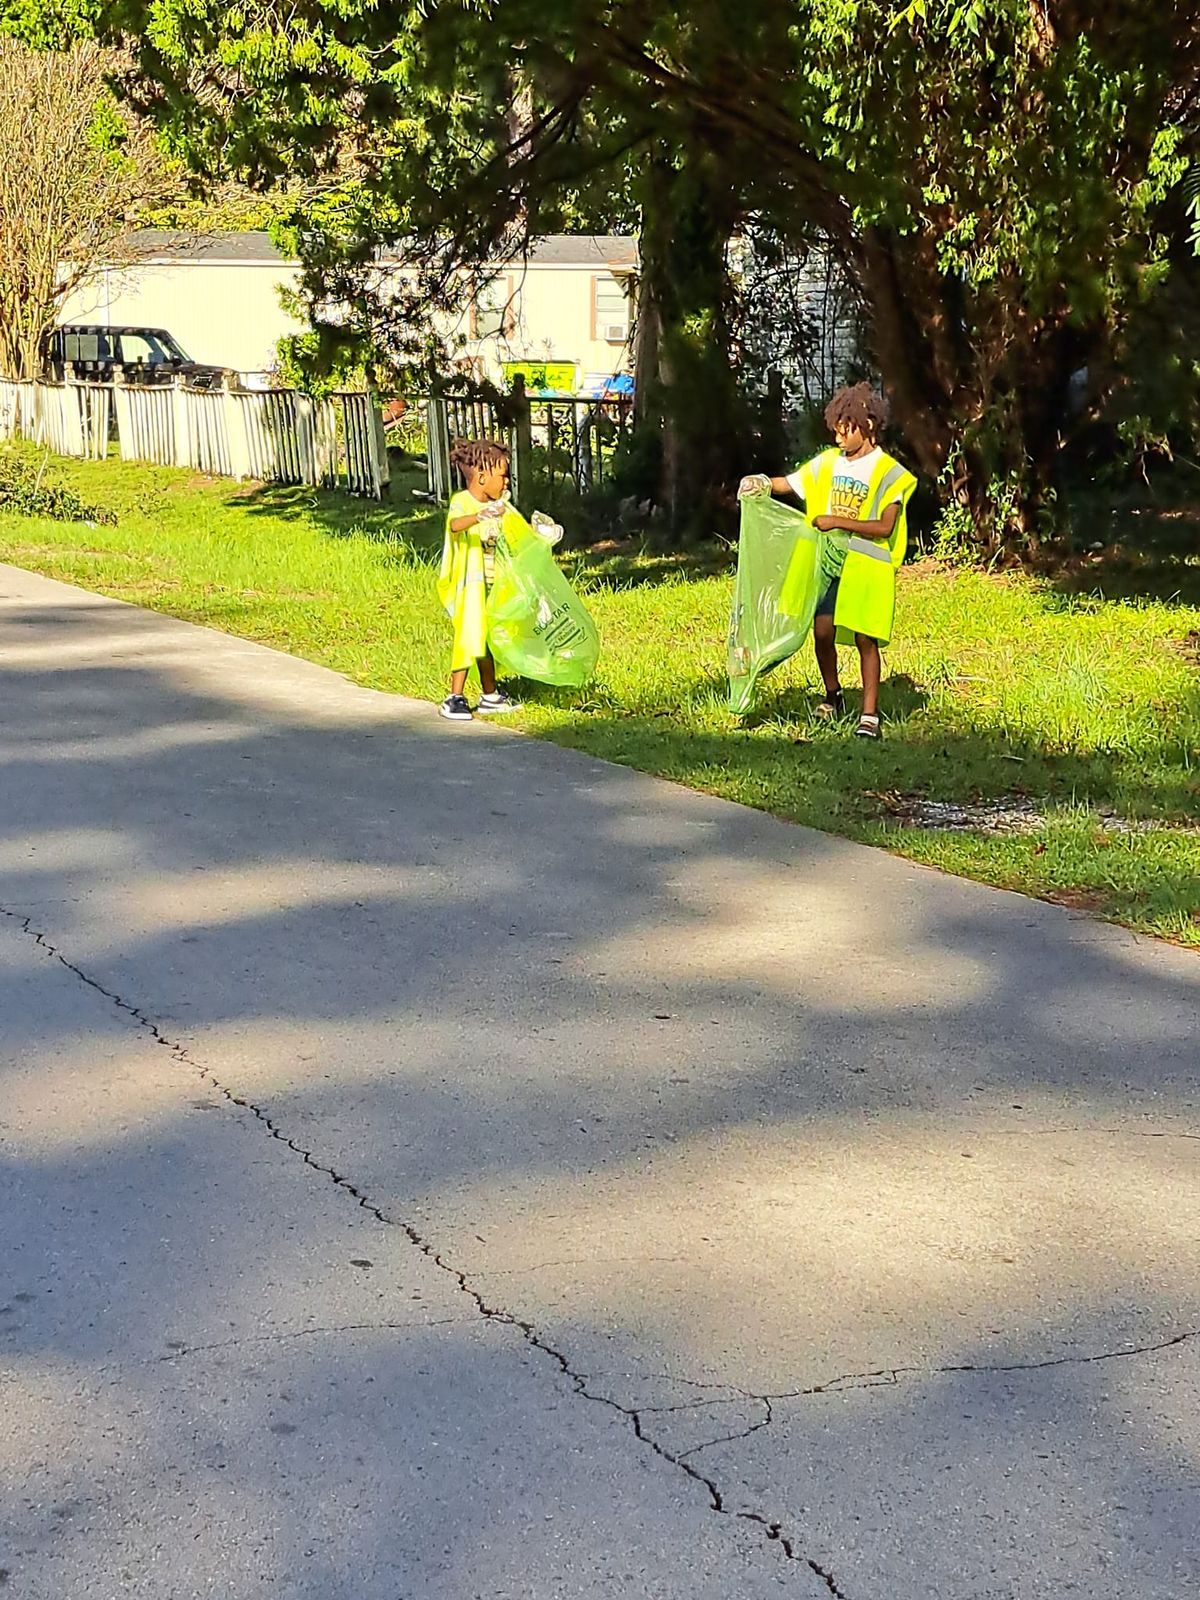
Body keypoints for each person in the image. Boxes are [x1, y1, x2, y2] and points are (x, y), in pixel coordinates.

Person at [739, 383, 917, 739]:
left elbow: (884, 526)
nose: (838, 437)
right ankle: (833, 695)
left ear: (866, 423)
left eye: (844, 428)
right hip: (827, 564)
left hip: (863, 567)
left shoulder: (889, 473)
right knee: (822, 631)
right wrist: (760, 483)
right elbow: (790, 483)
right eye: (835, 428)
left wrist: (836, 521)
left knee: (866, 638)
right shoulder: (828, 463)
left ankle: (870, 714)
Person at [437, 437, 520, 722]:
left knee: (484, 640)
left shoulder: (501, 508)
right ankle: (454, 697)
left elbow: (515, 536)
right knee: (467, 637)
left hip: (489, 587)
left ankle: (490, 694)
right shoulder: (463, 502)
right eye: (503, 476)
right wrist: (479, 516)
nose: (506, 482)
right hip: (468, 587)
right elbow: (454, 525)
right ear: (483, 477)